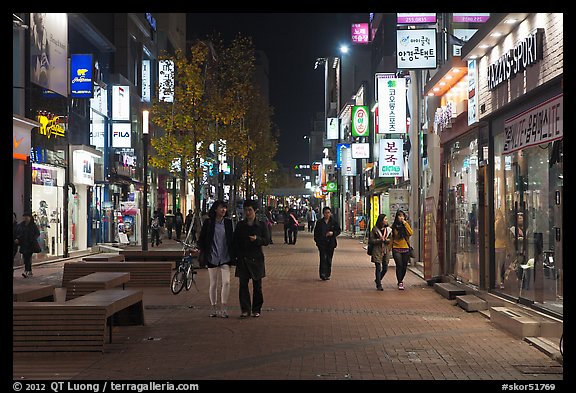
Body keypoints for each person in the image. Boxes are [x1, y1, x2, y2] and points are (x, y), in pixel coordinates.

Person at [233, 199, 270, 318]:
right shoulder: (240, 225)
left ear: (255, 211)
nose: (247, 212)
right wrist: (236, 255)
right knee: (243, 285)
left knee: (257, 286)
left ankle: (256, 309)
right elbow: (235, 241)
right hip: (243, 258)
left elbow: (267, 240)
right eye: (246, 210)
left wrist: (257, 240)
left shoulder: (261, 225)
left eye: (250, 210)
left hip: (256, 259)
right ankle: (245, 309)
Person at [198, 200, 235, 318]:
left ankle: (223, 308)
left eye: (225, 208)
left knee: (227, 282)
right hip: (212, 256)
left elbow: (231, 239)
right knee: (213, 283)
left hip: (225, 256)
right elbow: (202, 238)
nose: (223, 210)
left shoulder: (228, 223)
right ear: (215, 209)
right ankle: (213, 307)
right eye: (221, 208)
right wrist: (201, 249)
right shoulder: (209, 223)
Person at [313, 206, 341, 281]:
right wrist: (317, 242)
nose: (327, 214)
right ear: (323, 213)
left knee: (329, 259)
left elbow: (338, 230)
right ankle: (322, 274)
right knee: (323, 258)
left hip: (330, 243)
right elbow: (316, 233)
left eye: (328, 213)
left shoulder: (333, 222)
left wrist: (333, 233)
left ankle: (328, 273)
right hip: (322, 244)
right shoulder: (319, 222)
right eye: (326, 213)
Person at [390, 209, 413, 290]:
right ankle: (400, 282)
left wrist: (405, 223)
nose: (401, 218)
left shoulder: (406, 225)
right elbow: (392, 238)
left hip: (405, 248)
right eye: (399, 216)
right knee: (399, 265)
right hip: (396, 248)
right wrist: (389, 249)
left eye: (402, 216)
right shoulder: (393, 227)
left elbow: (410, 233)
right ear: (397, 217)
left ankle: (401, 279)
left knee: (404, 266)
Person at [369, 213, 392, 291]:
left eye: (386, 219)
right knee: (378, 267)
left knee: (385, 268)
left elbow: (390, 239)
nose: (386, 221)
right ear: (381, 220)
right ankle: (379, 284)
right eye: (385, 219)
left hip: (385, 250)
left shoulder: (388, 230)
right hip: (377, 250)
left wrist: (386, 240)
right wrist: (379, 240)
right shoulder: (375, 229)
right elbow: (371, 240)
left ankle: (378, 279)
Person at [15, 211, 41, 278]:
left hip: (31, 244)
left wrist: (33, 238)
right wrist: (18, 239)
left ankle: (27, 271)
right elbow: (18, 233)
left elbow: (37, 233)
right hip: (24, 244)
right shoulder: (21, 225)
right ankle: (29, 271)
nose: (25, 218)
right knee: (25, 258)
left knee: (28, 257)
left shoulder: (33, 225)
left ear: (30, 218)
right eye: (24, 217)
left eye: (27, 217)